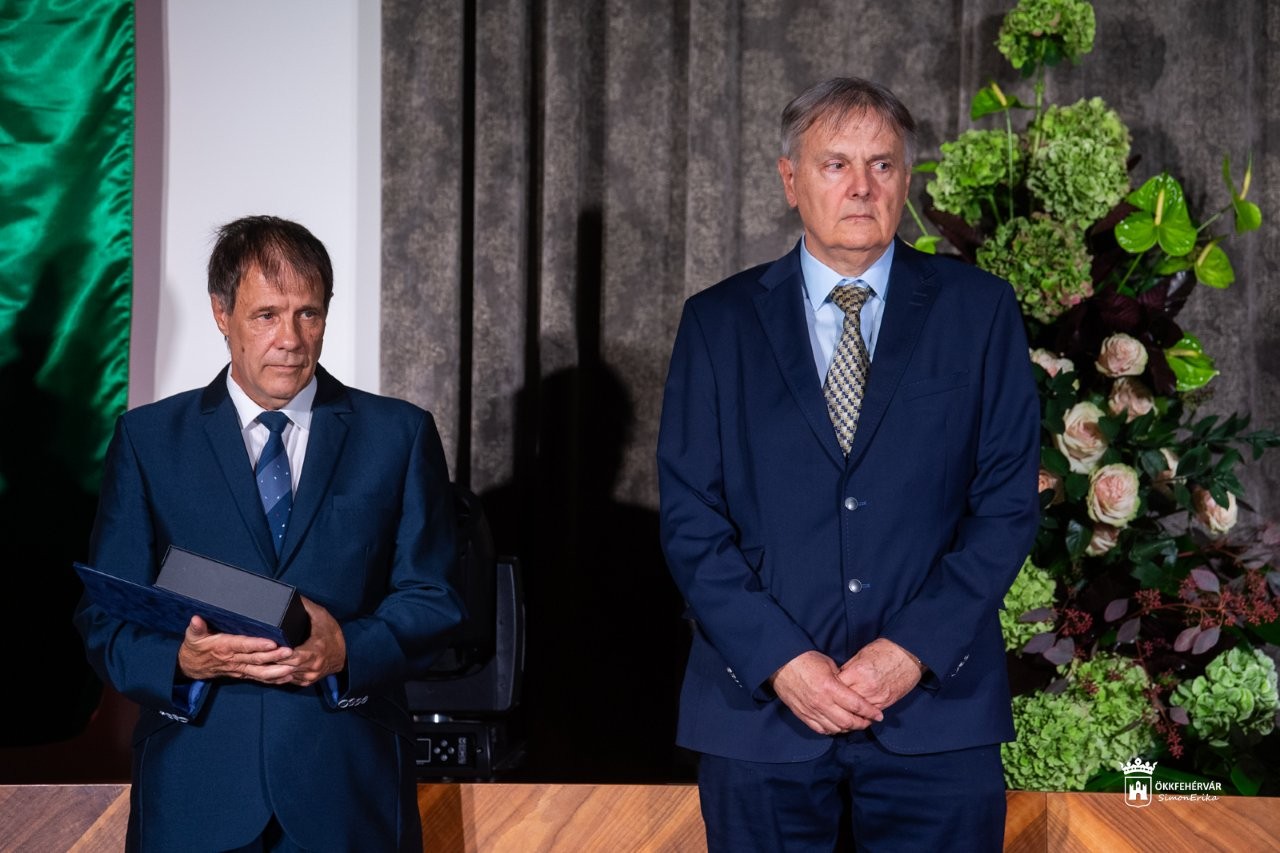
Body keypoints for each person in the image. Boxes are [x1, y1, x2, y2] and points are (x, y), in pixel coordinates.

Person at [657, 77, 1040, 851]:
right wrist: (783, 662)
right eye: (836, 164)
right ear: (790, 180)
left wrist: (912, 651)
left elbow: (1005, 506)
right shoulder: (716, 323)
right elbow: (692, 520)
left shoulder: (979, 311)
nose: (862, 186)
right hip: (761, 716)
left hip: (936, 713)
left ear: (906, 178)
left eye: (882, 165)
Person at [74, 215, 464, 852]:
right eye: (266, 316)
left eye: (308, 314)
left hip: (347, 790)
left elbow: (435, 599)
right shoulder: (148, 440)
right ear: (221, 313)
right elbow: (104, 615)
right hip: (196, 790)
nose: (290, 339)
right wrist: (181, 662)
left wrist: (346, 649)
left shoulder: (399, 434)